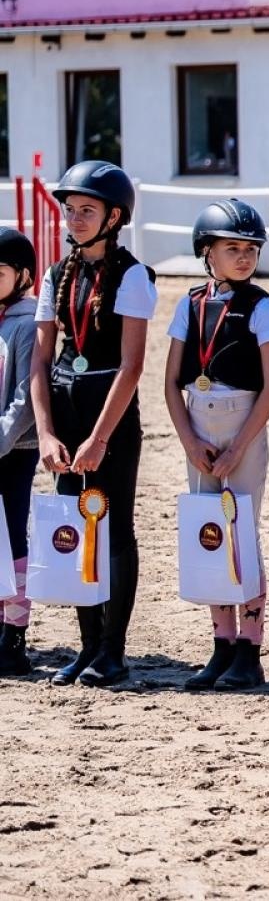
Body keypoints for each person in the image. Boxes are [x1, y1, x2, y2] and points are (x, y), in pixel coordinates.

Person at [31, 162, 157, 688]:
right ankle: (85, 645)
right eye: (71, 209)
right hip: (64, 408)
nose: (76, 219)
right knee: (74, 523)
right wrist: (44, 431)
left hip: (109, 413)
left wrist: (99, 438)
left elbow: (131, 365)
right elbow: (39, 360)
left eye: (87, 210)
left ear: (114, 216)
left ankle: (113, 649)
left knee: (114, 527)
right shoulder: (56, 274)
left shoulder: (132, 275)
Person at [164, 200, 269, 691]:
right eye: (232, 248)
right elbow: (171, 381)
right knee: (208, 531)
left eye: (250, 249)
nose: (244, 257)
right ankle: (222, 642)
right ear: (206, 252)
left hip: (244, 425)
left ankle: (250, 649)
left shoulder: (262, 306)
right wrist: (189, 440)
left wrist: (238, 448)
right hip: (198, 421)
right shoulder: (188, 304)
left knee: (243, 532)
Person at [0, 230, 39, 676]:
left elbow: (25, 399)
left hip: (14, 449)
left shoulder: (26, 325)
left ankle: (16, 633)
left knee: (12, 537)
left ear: (22, 276)